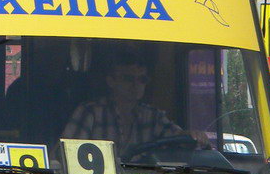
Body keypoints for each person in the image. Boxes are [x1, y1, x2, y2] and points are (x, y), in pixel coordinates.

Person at [61, 58, 208, 158]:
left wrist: (193, 136)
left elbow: (178, 138)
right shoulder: (90, 112)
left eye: (141, 79)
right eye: (128, 79)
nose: (135, 85)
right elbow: (65, 155)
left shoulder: (153, 117)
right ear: (111, 81)